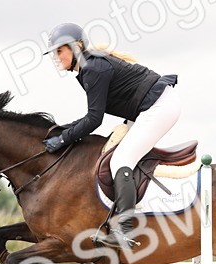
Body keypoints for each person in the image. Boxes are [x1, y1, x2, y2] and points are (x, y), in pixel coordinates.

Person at [41, 22, 179, 248]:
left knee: (121, 160)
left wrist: (63, 138)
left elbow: (94, 119)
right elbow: (91, 117)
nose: (56, 57)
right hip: (150, 107)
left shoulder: (93, 69)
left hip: (160, 107)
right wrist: (63, 130)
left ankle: (124, 229)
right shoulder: (89, 67)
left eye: (59, 50)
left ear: (76, 47)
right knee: (118, 153)